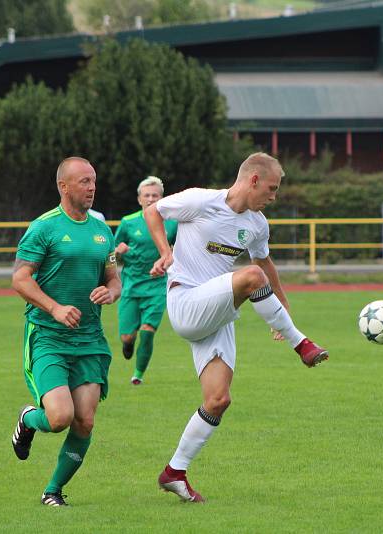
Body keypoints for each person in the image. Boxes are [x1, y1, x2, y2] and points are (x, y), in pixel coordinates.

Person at [144, 152, 329, 503]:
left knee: (218, 400)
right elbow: (153, 211)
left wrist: (283, 304)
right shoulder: (202, 200)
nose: (274, 196)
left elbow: (264, 261)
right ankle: (301, 346)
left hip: (218, 311)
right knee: (250, 277)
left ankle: (175, 472)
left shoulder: (258, 225)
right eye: (272, 188)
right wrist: (165, 250)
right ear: (254, 180)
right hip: (186, 302)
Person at [10, 157, 120, 506]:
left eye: (94, 181)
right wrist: (55, 308)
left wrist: (111, 292)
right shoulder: (44, 227)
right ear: (64, 186)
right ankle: (29, 418)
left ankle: (52, 492)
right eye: (84, 181)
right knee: (59, 418)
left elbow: (114, 278)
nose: (92, 187)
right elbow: (20, 279)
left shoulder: (102, 230)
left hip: (89, 340)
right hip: (48, 337)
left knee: (84, 421)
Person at [113, 176, 178, 385]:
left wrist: (173, 254)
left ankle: (138, 375)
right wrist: (118, 252)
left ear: (162, 198)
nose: (151, 199)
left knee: (148, 331)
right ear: (140, 199)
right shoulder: (128, 222)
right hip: (131, 285)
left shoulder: (173, 223)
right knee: (127, 337)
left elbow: (182, 249)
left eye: (155, 195)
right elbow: (110, 255)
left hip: (158, 285)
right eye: (147, 195)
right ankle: (128, 344)